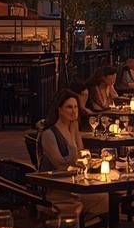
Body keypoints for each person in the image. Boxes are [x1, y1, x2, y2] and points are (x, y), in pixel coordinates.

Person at [35, 88, 107, 219]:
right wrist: (73, 142)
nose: (74, 111)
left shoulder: (72, 127)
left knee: (109, 196)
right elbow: (62, 166)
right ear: (59, 109)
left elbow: (82, 156)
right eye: (69, 107)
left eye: (76, 107)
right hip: (57, 190)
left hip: (75, 185)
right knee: (104, 199)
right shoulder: (49, 134)